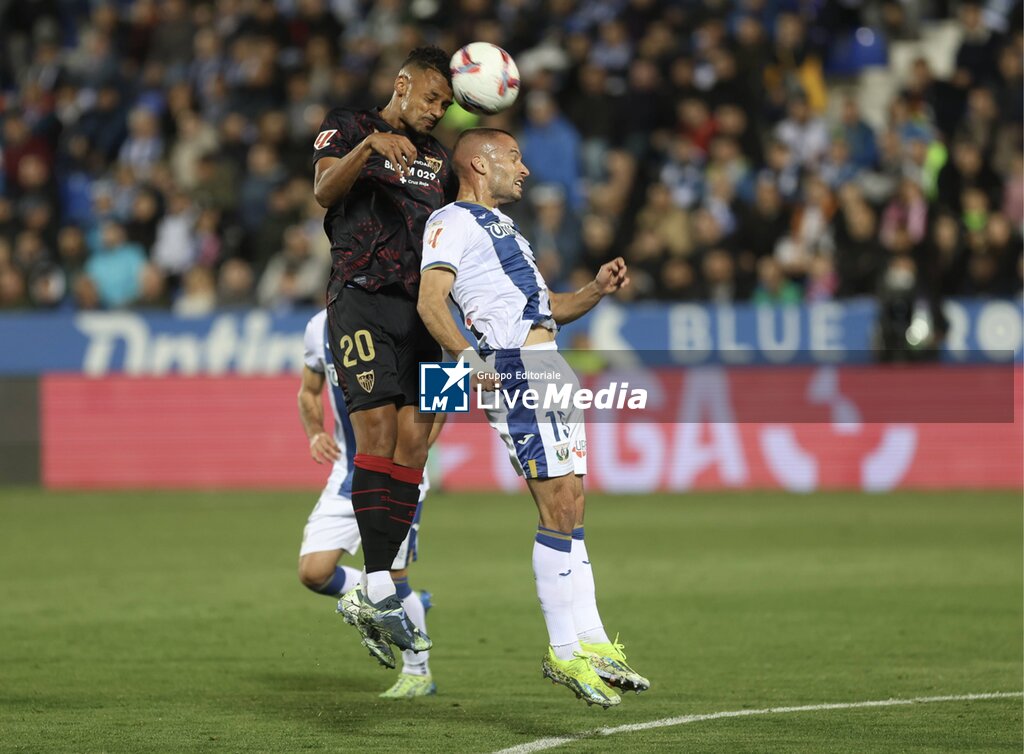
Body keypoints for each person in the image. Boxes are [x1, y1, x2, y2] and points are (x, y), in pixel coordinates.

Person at [416, 128, 649, 708]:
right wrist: (470, 360)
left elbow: (549, 311)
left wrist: (595, 289)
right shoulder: (450, 220)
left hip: (548, 363)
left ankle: (592, 641)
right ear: (477, 163)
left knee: (572, 501)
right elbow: (429, 301)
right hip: (516, 368)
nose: (524, 169)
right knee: (554, 504)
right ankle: (563, 650)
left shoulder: (505, 228)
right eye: (513, 158)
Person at [311, 46, 454, 656]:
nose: (438, 111)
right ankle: (376, 586)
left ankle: (385, 579)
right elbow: (322, 192)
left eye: (446, 104)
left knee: (417, 443)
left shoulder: (440, 159)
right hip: (362, 300)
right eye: (431, 98)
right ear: (402, 85)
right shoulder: (347, 126)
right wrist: (368, 149)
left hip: (424, 311)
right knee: (373, 433)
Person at [298, 308, 444, 698]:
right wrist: (314, 432)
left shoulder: (423, 317)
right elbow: (310, 390)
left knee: (394, 577)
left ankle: (418, 672)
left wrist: (414, 456)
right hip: (348, 473)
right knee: (313, 572)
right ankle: (402, 601)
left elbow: (444, 398)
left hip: (397, 478)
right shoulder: (319, 328)